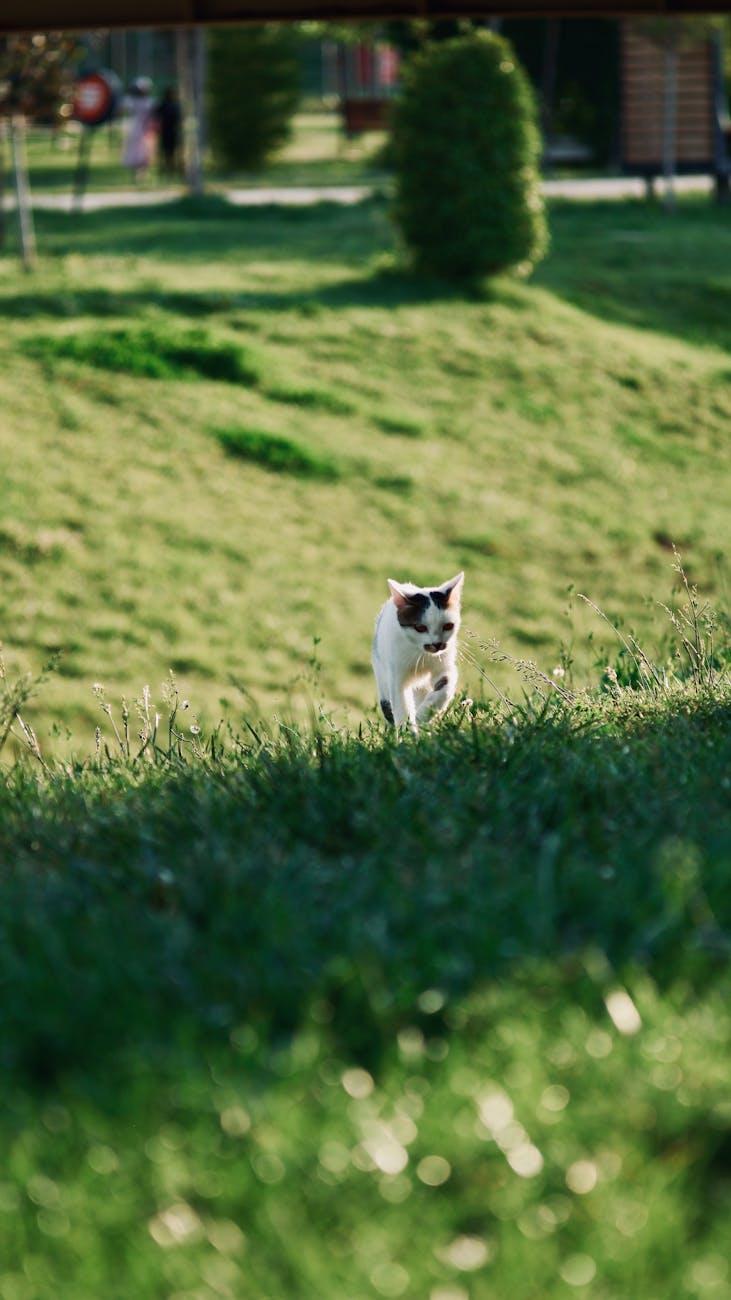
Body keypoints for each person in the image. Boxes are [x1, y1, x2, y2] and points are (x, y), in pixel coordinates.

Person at [121, 77, 157, 182]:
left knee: (146, 150)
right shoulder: (131, 101)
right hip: (136, 127)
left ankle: (143, 172)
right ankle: (137, 172)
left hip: (146, 128)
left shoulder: (150, 101)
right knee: (136, 150)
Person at [154, 86, 182, 179]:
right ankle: (169, 171)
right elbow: (156, 116)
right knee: (168, 153)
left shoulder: (175, 105)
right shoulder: (165, 105)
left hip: (175, 131)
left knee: (178, 152)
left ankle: (180, 171)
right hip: (167, 131)